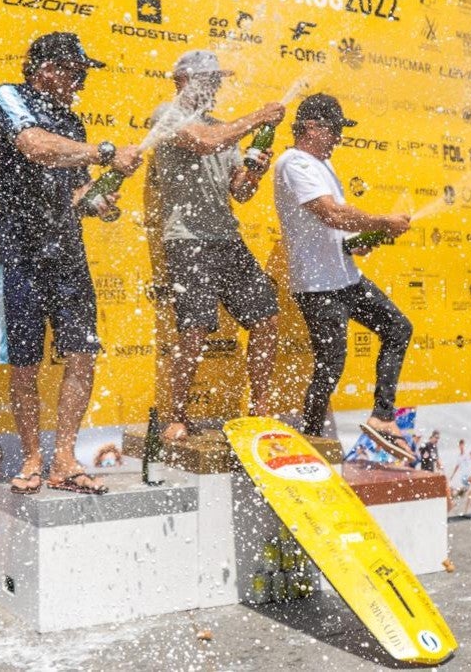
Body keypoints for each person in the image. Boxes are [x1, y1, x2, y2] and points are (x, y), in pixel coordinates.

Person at [0, 31, 143, 495]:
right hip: (18, 255)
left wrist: (99, 201)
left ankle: (65, 459)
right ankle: (32, 457)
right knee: (25, 363)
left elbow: (76, 193)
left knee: (82, 353)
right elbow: (33, 145)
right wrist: (106, 153)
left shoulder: (73, 124)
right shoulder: (8, 97)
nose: (80, 83)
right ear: (48, 69)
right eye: (76, 73)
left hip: (67, 255)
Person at [145, 50, 286, 442]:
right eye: (208, 80)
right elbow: (203, 142)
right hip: (187, 239)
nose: (214, 87)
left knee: (266, 317)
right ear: (183, 80)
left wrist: (255, 169)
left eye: (217, 81)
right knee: (193, 330)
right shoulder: (166, 115)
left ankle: (260, 409)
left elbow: (239, 192)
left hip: (227, 237)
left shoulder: (226, 129)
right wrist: (258, 117)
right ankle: (175, 414)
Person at [271, 94, 413, 449]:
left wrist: (363, 240)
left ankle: (382, 416)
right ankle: (312, 437)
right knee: (331, 364)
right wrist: (383, 220)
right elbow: (330, 213)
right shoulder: (293, 163)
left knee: (398, 328)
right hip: (317, 286)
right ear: (311, 127)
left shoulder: (324, 166)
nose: (338, 138)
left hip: (346, 279)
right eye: (334, 130)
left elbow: (339, 230)